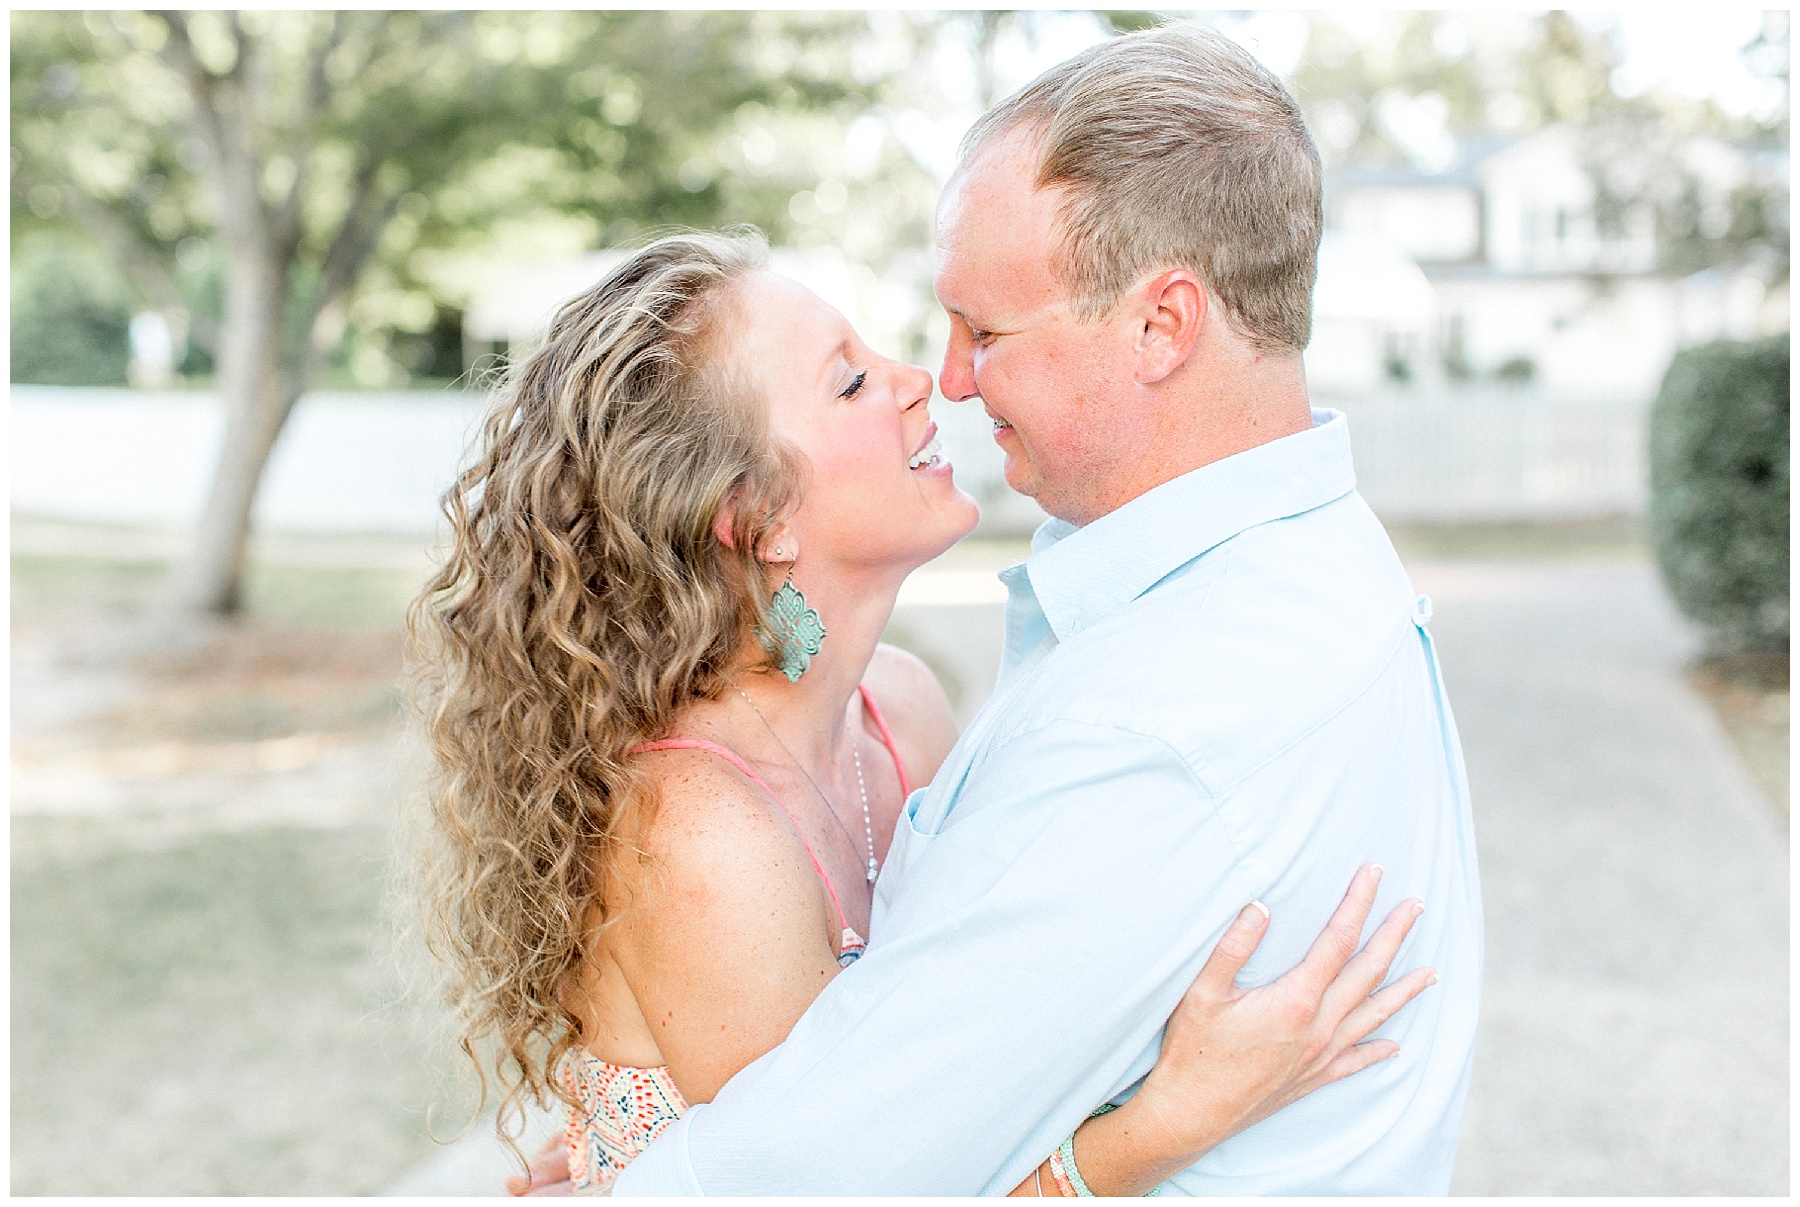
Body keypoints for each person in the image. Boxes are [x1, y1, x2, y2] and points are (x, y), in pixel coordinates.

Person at [596, 21, 1483, 1197]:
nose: (946, 378)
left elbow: (807, 1175)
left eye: (987, 331)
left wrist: (629, 1175)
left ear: (1162, 326)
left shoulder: (1160, 718)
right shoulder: (1310, 565)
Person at [414, 227, 1434, 1198]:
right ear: (758, 517)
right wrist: (1170, 1119)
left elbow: (975, 1065)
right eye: (852, 381)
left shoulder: (898, 701)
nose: (924, 383)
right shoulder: (700, 836)